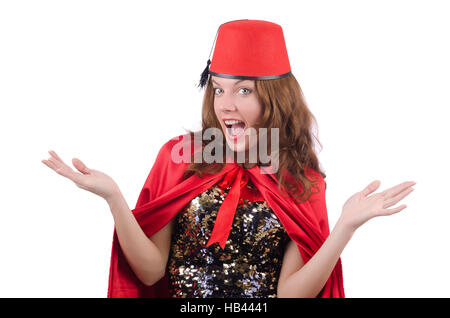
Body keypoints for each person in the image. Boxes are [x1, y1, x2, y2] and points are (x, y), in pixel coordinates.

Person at [41, 19, 416, 298]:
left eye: (243, 90)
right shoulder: (181, 156)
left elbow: (291, 295)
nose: (226, 104)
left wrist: (344, 230)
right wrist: (114, 199)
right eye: (218, 89)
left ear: (275, 99)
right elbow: (152, 271)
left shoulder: (299, 179)